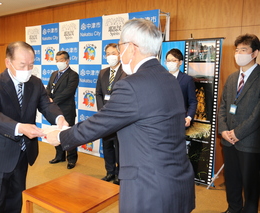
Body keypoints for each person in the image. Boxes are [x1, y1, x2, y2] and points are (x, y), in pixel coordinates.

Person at [47, 18, 195, 212]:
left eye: (120, 46)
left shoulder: (131, 84)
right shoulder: (169, 78)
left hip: (149, 187)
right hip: (177, 180)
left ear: (131, 48)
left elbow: (100, 123)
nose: (118, 53)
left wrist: (60, 136)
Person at [0, 41, 67, 213]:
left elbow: (46, 104)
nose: (27, 69)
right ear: (8, 62)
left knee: (16, 200)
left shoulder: (35, 83)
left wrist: (59, 118)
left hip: (23, 153)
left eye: (31, 65)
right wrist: (20, 127)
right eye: (22, 65)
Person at [218, 34, 260, 213]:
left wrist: (238, 133)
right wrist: (224, 130)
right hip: (228, 140)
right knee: (232, 179)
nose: (239, 53)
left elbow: (257, 114)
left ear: (255, 53)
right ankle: (233, 208)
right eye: (237, 50)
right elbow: (222, 107)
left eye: (244, 50)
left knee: (250, 184)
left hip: (249, 142)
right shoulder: (232, 78)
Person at [96, 43, 126, 184]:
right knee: (107, 146)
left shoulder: (126, 72)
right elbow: (98, 94)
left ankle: (120, 175)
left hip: (120, 118)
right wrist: (103, 112)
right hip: (105, 118)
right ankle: (109, 172)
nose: (111, 56)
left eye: (113, 53)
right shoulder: (103, 72)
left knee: (120, 148)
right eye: (108, 54)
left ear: (120, 54)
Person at [46, 51, 79, 169]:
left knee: (69, 135)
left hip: (67, 110)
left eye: (61, 60)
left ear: (67, 61)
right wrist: (48, 98)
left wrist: (52, 101)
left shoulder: (73, 75)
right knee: (56, 132)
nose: (58, 63)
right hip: (54, 111)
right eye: (57, 60)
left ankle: (71, 159)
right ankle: (60, 156)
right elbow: (48, 89)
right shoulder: (54, 74)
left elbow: (68, 92)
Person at [165, 48, 197, 127]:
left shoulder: (187, 79)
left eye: (174, 60)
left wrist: (189, 117)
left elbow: (193, 102)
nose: (171, 63)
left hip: (180, 121)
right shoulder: (161, 78)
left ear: (180, 62)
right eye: (168, 61)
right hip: (163, 121)